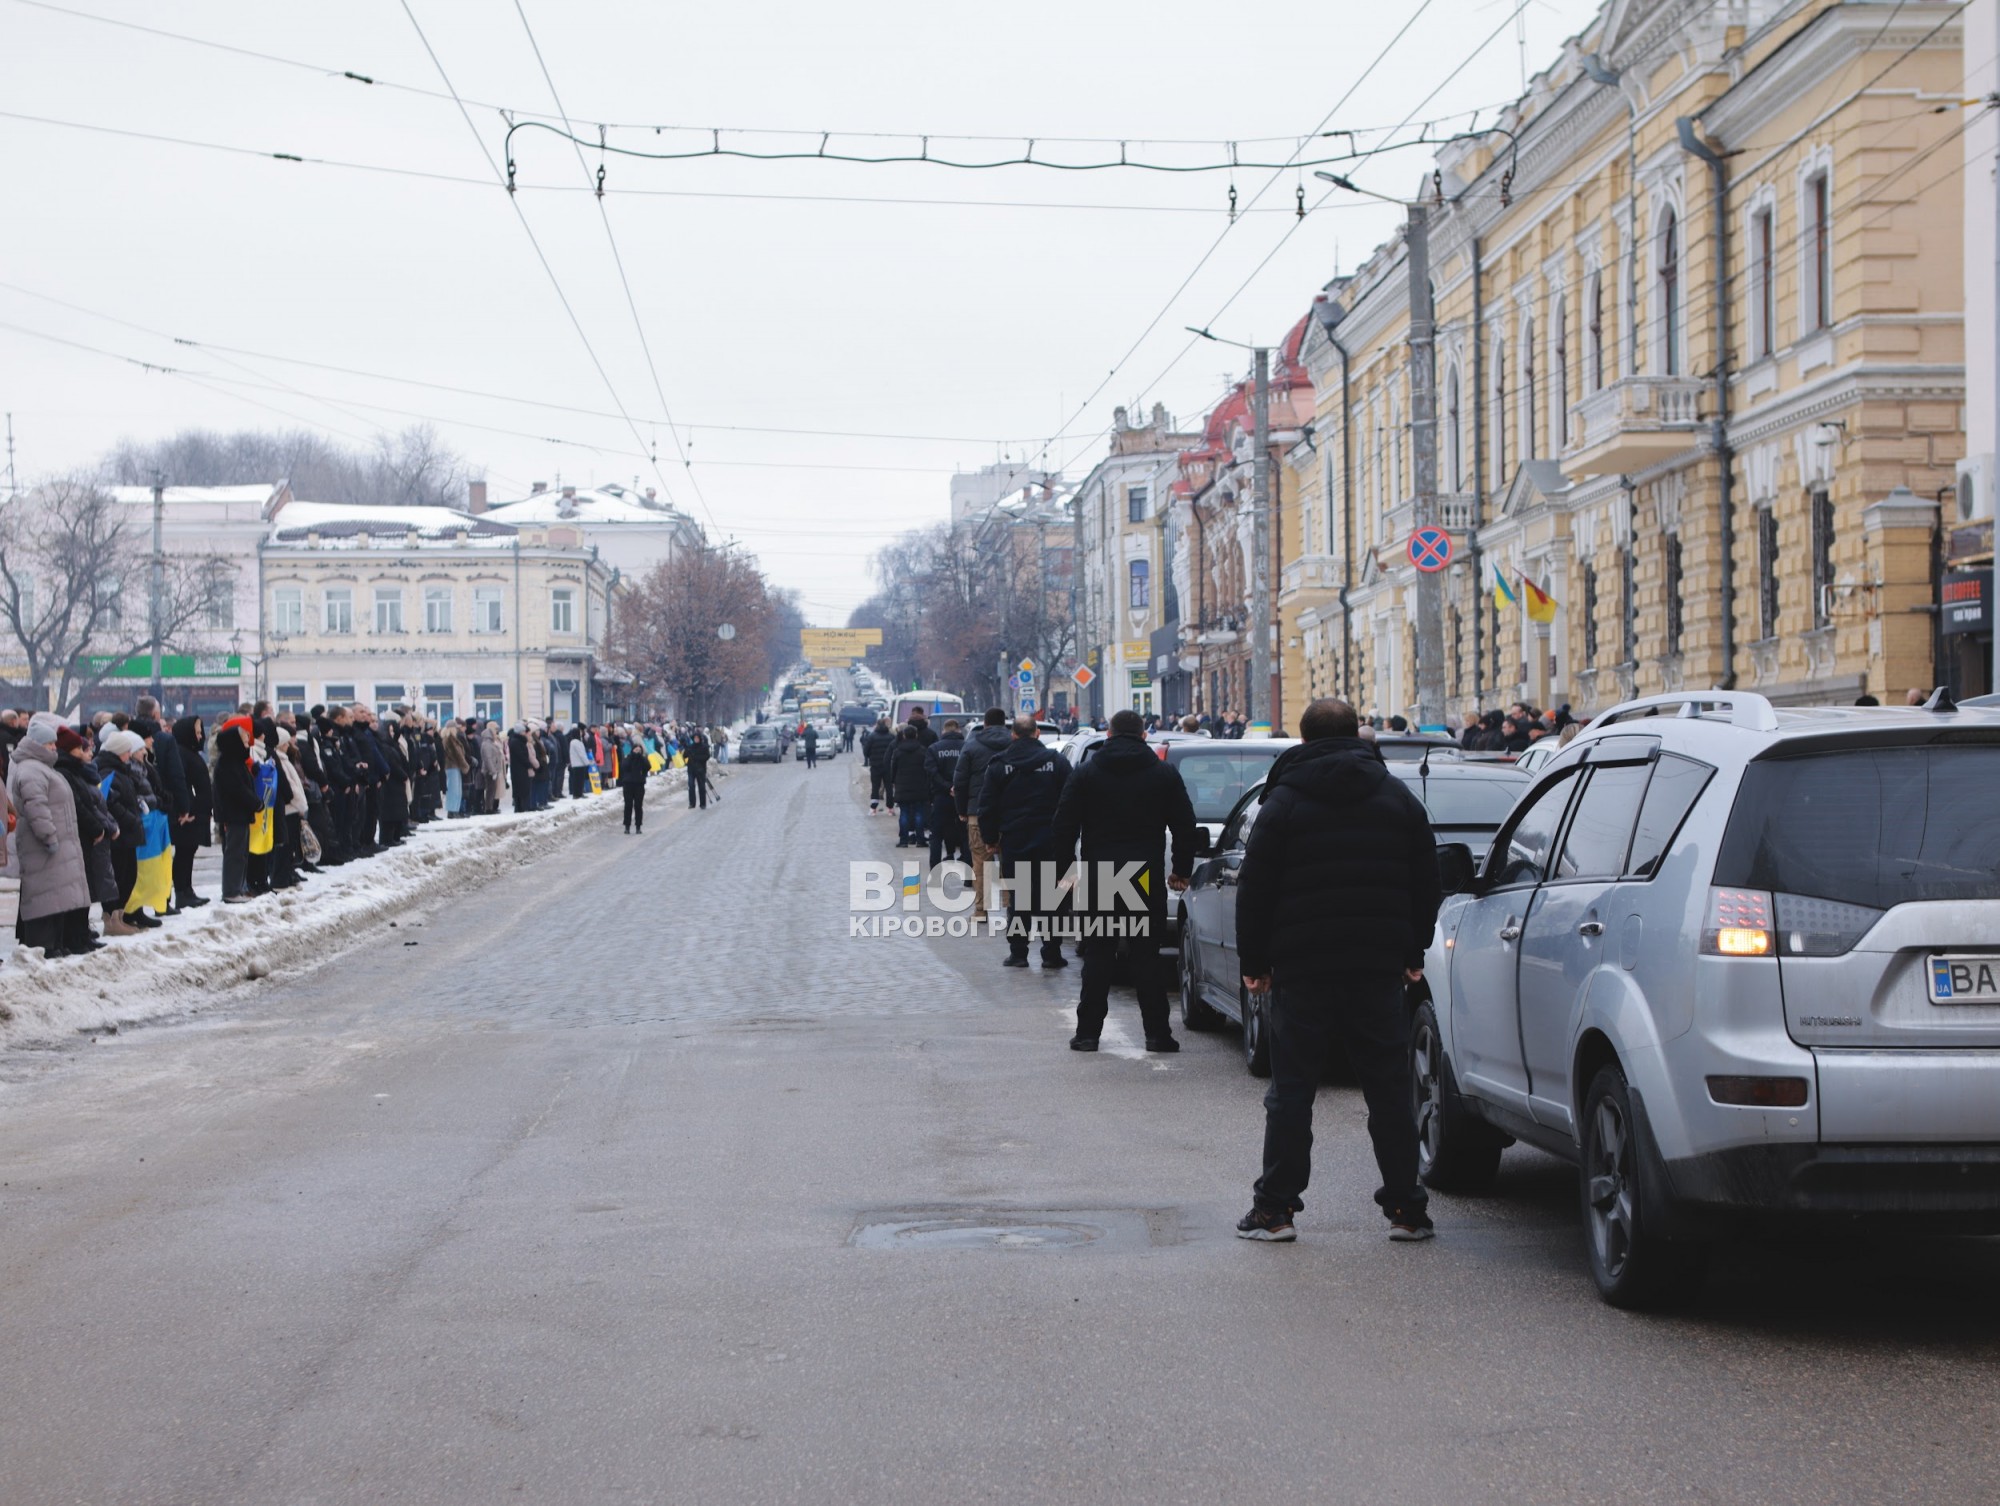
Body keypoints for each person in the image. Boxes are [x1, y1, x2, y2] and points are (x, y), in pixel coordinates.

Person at [1232, 697, 1443, 1244]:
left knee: (1292, 1091)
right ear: (1358, 735)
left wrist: (1254, 963)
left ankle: (1275, 1210)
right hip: (1376, 966)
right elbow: (1427, 881)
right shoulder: (1397, 798)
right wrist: (1413, 952)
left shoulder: (1284, 801)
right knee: (1389, 1089)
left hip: (1302, 968)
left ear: (1303, 740)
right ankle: (1407, 1210)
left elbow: (1255, 888)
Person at [1049, 708, 1198, 1052]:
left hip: (1101, 874)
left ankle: (1087, 1034)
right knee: (1146, 957)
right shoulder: (1163, 773)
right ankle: (1158, 1034)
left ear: (1109, 735)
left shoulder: (1086, 773)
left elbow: (1063, 826)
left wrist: (1066, 872)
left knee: (1099, 954)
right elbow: (1185, 825)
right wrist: (1181, 870)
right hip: (1144, 874)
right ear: (1145, 736)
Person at [976, 715, 1073, 970]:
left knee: (1020, 898)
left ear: (1014, 735)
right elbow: (1072, 800)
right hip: (1051, 840)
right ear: (1037, 733)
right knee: (1052, 898)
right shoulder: (1057, 762)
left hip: (1015, 840)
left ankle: (1018, 953)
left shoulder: (999, 764)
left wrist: (990, 839)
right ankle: (1051, 953)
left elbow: (987, 805)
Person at [7, 713, 92, 955]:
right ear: (37, 745)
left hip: (55, 844)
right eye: (50, 744)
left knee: (54, 897)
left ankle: (54, 943)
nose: (54, 748)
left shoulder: (42, 767)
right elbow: (37, 809)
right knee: (44, 897)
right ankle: (43, 945)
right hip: (43, 846)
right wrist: (49, 837)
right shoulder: (31, 770)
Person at [952, 708, 1011, 922]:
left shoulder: (972, 746)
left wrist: (961, 810)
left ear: (984, 724)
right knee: (1009, 861)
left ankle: (981, 910)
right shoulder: (1013, 745)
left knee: (980, 862)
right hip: (1010, 814)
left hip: (977, 812)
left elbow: (960, 782)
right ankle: (1011, 908)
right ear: (1004, 724)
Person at [212, 720, 258, 904]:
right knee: (235, 853)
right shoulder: (227, 763)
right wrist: (256, 803)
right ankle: (231, 890)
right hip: (234, 814)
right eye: (243, 739)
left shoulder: (235, 761)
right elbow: (238, 790)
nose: (247, 742)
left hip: (240, 814)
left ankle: (238, 887)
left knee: (241, 853)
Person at [170, 717, 213, 908]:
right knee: (184, 853)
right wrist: (188, 807)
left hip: (197, 812)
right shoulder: (181, 753)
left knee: (189, 851)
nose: (200, 736)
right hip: (189, 813)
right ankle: (182, 891)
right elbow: (181, 784)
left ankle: (187, 889)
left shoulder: (191, 753)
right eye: (196, 732)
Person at [924, 719, 968, 869]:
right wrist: (957, 787)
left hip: (941, 797)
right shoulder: (966, 747)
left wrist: (947, 787)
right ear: (958, 730)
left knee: (936, 835)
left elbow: (931, 773)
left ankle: (935, 871)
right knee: (965, 836)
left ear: (944, 731)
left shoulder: (934, 748)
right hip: (963, 797)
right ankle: (969, 875)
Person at [888, 724, 929, 847]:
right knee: (919, 814)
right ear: (916, 735)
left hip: (902, 787)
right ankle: (920, 840)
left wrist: (893, 782)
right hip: (919, 787)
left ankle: (904, 840)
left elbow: (893, 770)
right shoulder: (923, 751)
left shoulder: (898, 751)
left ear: (904, 735)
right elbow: (927, 769)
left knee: (904, 813)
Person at [618, 731, 651, 833]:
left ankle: (638, 826)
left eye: (639, 750)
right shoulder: (628, 757)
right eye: (635, 749)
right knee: (628, 805)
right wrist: (632, 755)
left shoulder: (643, 759)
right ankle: (627, 826)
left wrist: (640, 756)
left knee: (638, 806)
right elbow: (624, 767)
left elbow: (648, 767)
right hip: (628, 784)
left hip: (639, 784)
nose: (637, 751)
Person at [862, 718, 895, 814]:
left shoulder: (872, 736)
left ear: (877, 725)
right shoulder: (891, 736)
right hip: (888, 766)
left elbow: (866, 751)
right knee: (889, 787)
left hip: (875, 766)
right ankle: (890, 808)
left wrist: (871, 758)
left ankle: (873, 808)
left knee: (875, 787)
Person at [684, 728, 712, 809]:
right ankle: (692, 803)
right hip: (691, 769)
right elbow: (685, 756)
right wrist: (687, 751)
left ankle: (703, 804)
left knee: (702, 787)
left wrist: (697, 758)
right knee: (691, 786)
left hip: (701, 769)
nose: (696, 739)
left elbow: (707, 756)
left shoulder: (703, 747)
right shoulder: (690, 747)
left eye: (697, 738)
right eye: (695, 738)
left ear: (700, 739)